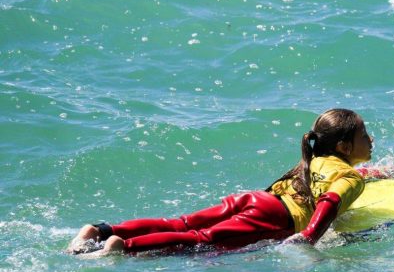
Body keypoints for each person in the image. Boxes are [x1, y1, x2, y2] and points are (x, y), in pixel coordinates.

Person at [68, 108, 376, 257]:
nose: (371, 139)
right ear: (344, 147)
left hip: (257, 199)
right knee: (202, 239)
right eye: (364, 135)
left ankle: (102, 230)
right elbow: (331, 200)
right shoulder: (349, 178)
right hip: (277, 217)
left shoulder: (314, 159)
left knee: (181, 223)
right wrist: (308, 237)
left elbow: (330, 183)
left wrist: (376, 174)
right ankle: (123, 247)